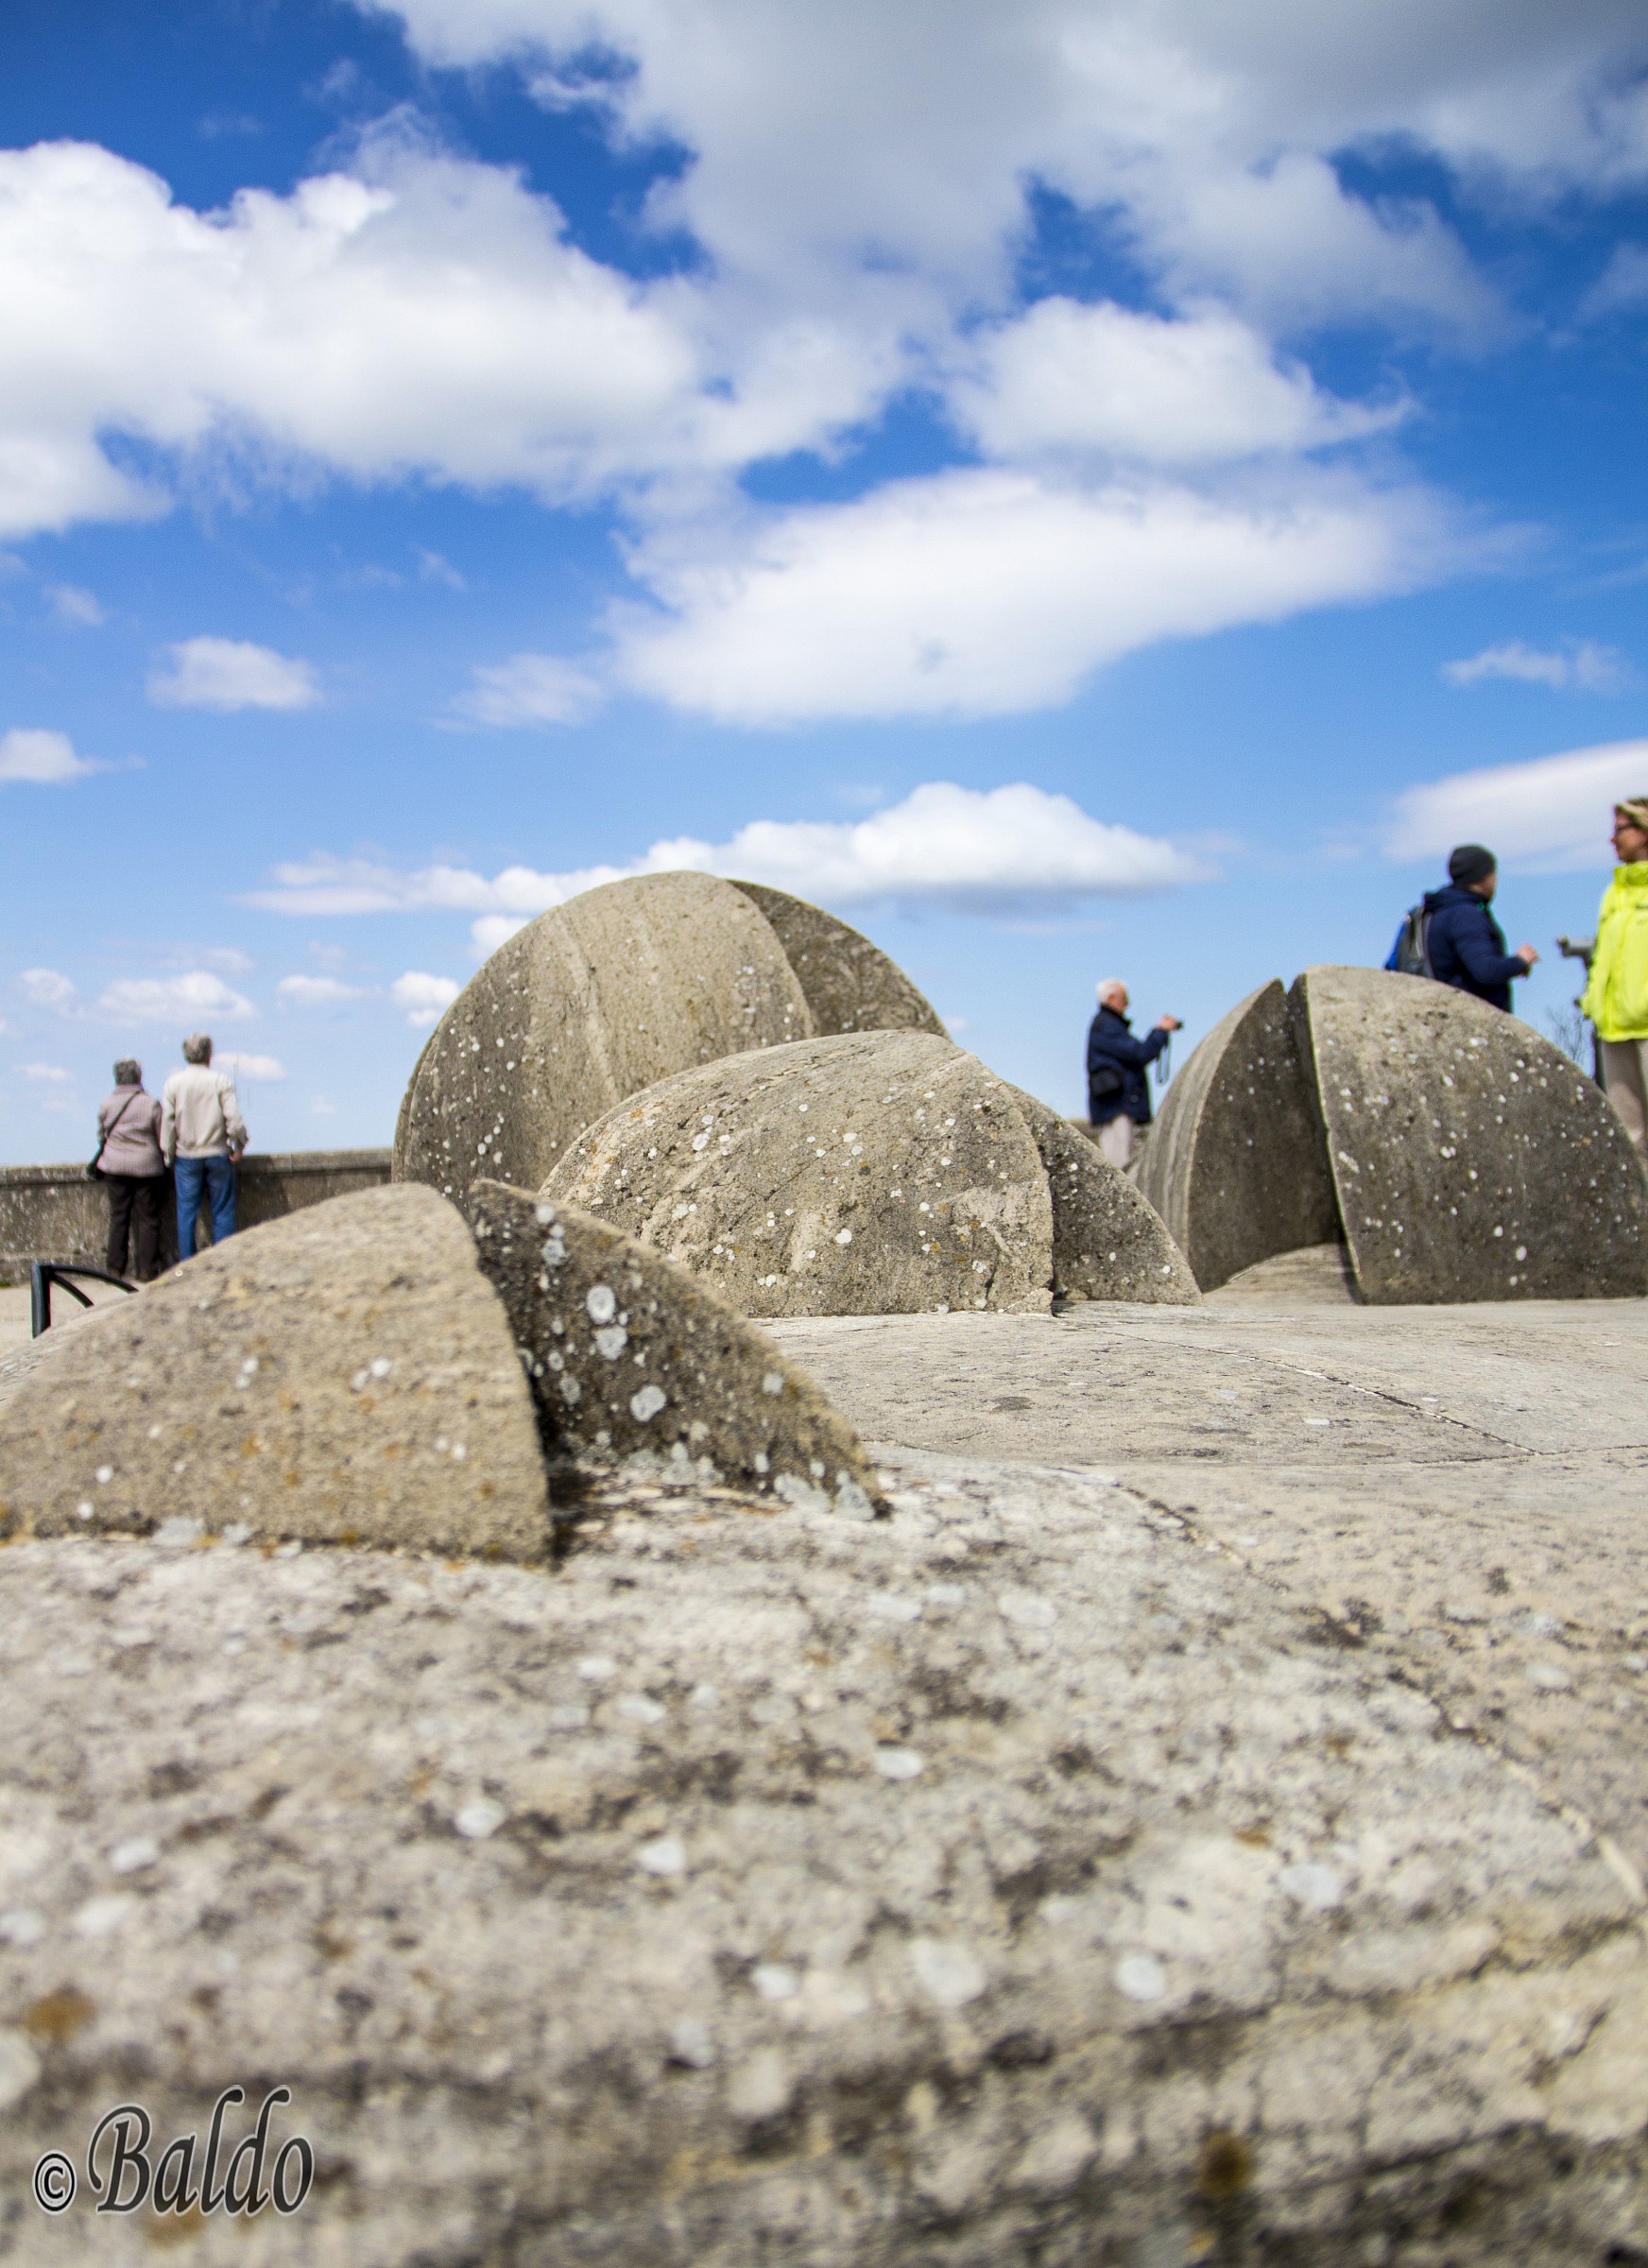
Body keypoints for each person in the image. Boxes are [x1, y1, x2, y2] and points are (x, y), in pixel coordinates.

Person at [1582, 798, 1648, 1159]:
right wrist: (1593, 999)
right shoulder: (1614, 893)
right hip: (1614, 1027)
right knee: (1628, 1140)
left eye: (1620, 829)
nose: (1612, 840)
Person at [1418, 844, 1538, 1010]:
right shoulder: (1466, 915)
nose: (1496, 878)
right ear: (1483, 876)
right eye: (1493, 872)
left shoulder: (1442, 909)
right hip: (1464, 1018)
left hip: (1443, 1009)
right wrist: (1520, 961)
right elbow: (1485, 970)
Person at [161, 1033, 248, 1258]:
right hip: (217, 1153)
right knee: (223, 1212)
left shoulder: (173, 1083)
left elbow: (168, 1123)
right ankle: (225, 1262)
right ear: (210, 1054)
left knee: (187, 1214)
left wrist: (168, 1152)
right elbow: (234, 1120)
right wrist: (239, 1145)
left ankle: (187, 1266)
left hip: (187, 1156)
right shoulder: (221, 1081)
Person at [1086, 978, 1181, 1171]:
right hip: (1115, 1108)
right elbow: (1140, 1053)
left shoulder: (1107, 1025)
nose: (1127, 1004)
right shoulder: (1106, 1026)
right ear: (1111, 998)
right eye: (1124, 998)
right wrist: (1160, 1032)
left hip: (1115, 1106)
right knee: (1120, 1168)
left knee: (1122, 1165)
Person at [95, 1058, 165, 1280]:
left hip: (114, 1165)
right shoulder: (151, 1103)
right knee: (148, 1218)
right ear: (139, 1077)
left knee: (118, 1217)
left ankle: (115, 1268)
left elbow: (101, 1136)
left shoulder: (106, 1104)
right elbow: (161, 1135)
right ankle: (147, 1270)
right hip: (146, 1166)